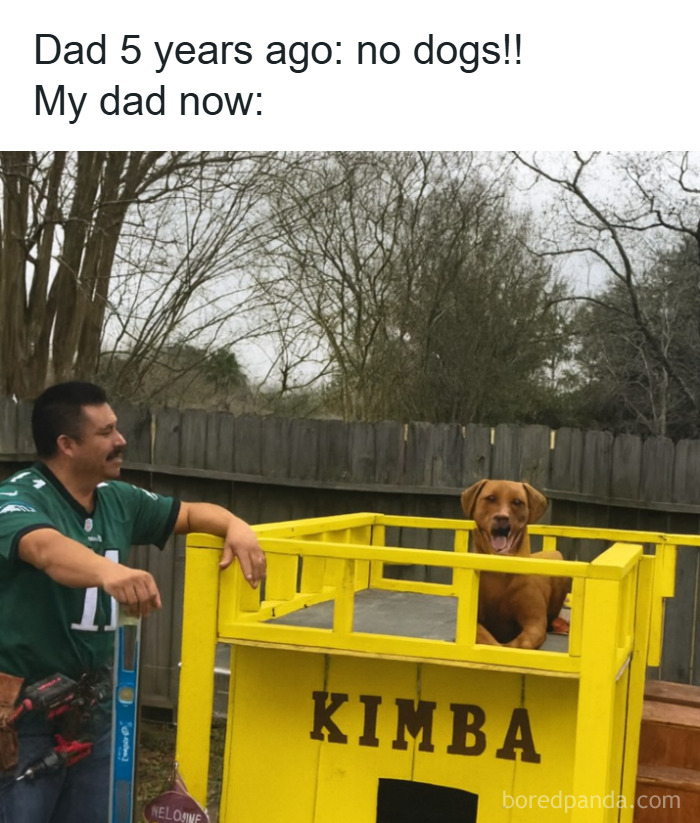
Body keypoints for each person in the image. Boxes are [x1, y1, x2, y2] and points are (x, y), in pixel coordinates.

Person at [0, 381, 266, 823]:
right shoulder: (17, 498)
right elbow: (44, 549)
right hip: (26, 718)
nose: (121, 440)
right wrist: (112, 572)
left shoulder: (118, 500)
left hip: (94, 713)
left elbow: (189, 513)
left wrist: (236, 525)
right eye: (106, 432)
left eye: (117, 428)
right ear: (67, 444)